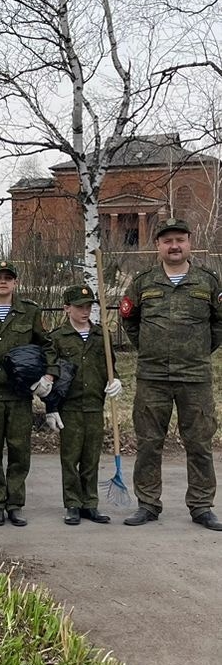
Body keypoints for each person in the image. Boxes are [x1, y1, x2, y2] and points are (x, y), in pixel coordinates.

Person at [120, 218, 222, 529]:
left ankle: (202, 506)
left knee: (200, 443)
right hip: (152, 377)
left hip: (195, 376)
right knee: (149, 442)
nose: (174, 246)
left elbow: (219, 323)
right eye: (167, 241)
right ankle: (148, 504)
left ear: (189, 242)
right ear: (158, 246)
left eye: (179, 239)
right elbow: (130, 321)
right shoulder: (143, 282)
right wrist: (150, 349)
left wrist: (199, 350)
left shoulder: (208, 281)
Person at [0, 260, 58, 527]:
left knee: (20, 451)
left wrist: (48, 375)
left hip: (20, 394)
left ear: (15, 283)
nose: (3, 282)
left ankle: (15, 503)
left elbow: (48, 346)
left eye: (8, 277)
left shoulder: (30, 312)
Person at [48, 285, 123, 526]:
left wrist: (116, 381)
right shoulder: (57, 338)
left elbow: (111, 365)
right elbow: (51, 373)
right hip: (69, 406)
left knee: (91, 457)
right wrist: (52, 407)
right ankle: (72, 503)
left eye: (89, 306)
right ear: (67, 308)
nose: (85, 311)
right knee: (70, 458)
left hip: (94, 405)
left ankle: (90, 503)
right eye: (80, 306)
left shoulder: (102, 336)